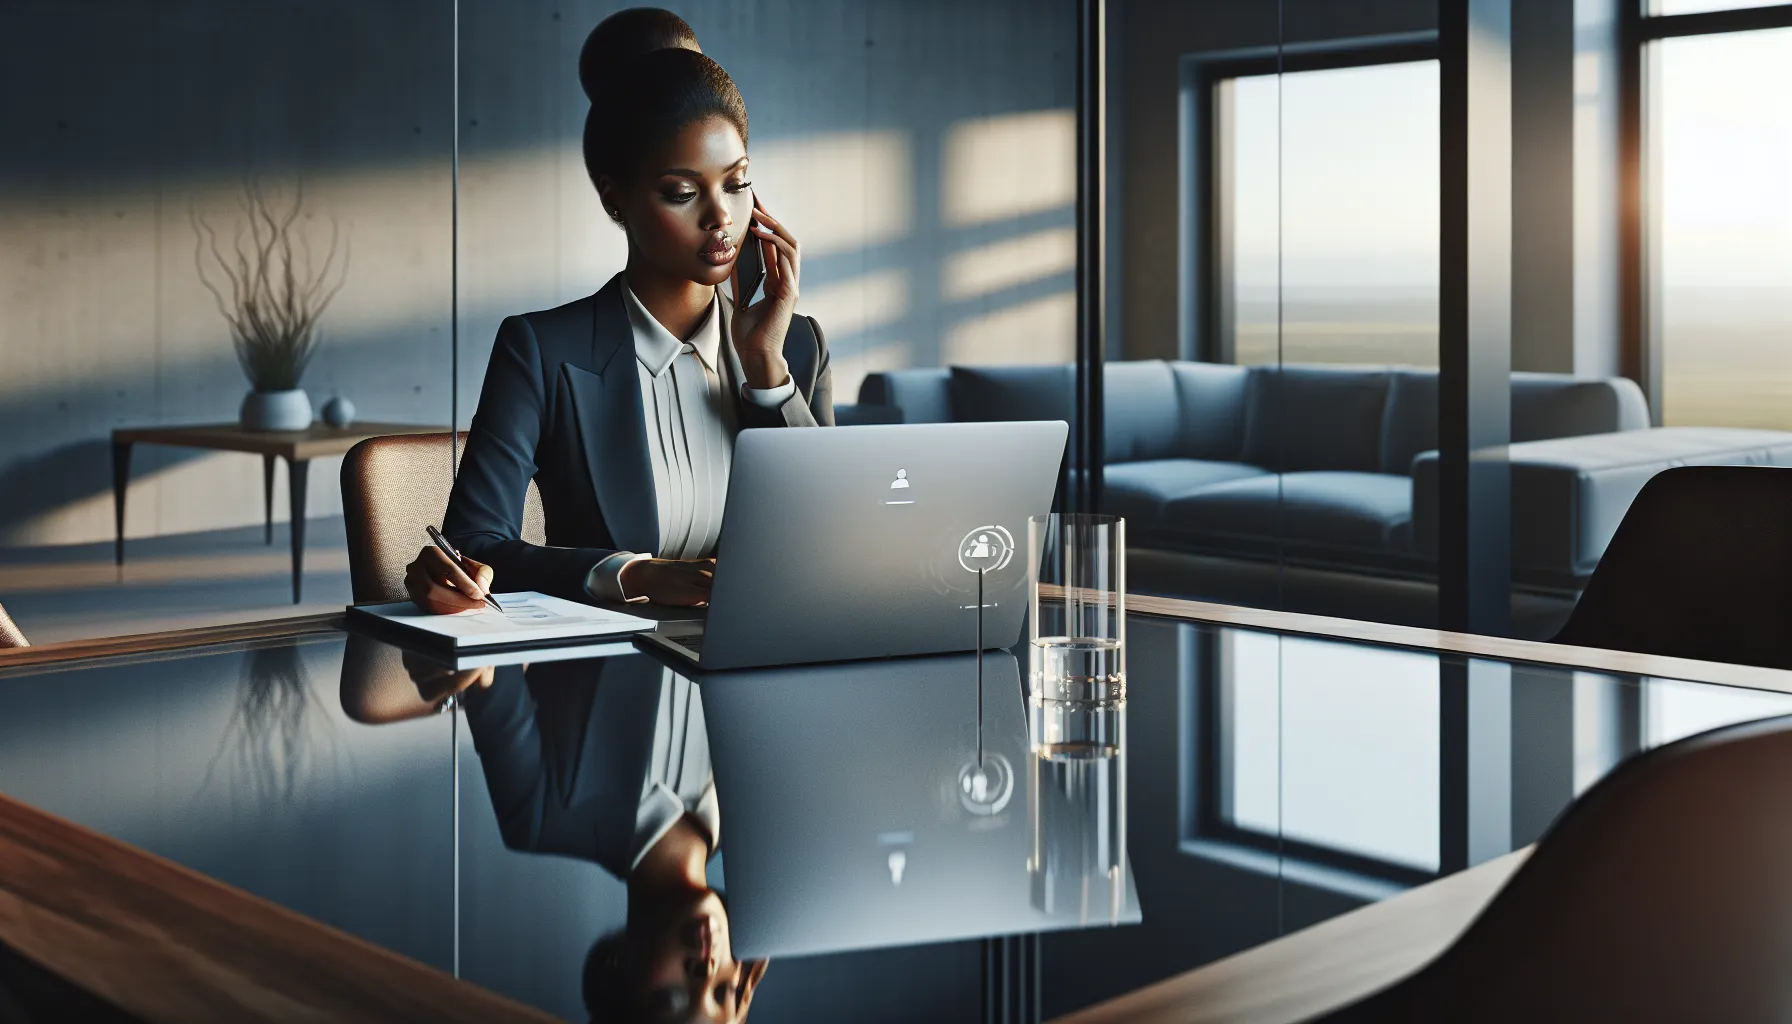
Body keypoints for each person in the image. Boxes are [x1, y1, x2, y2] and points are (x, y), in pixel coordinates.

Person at [404, 8, 832, 615]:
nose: (721, 218)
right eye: (682, 193)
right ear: (616, 199)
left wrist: (765, 370)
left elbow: (829, 542)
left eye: (737, 183)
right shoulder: (545, 350)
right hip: (615, 680)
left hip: (770, 675)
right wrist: (633, 576)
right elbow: (475, 542)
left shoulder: (796, 347)